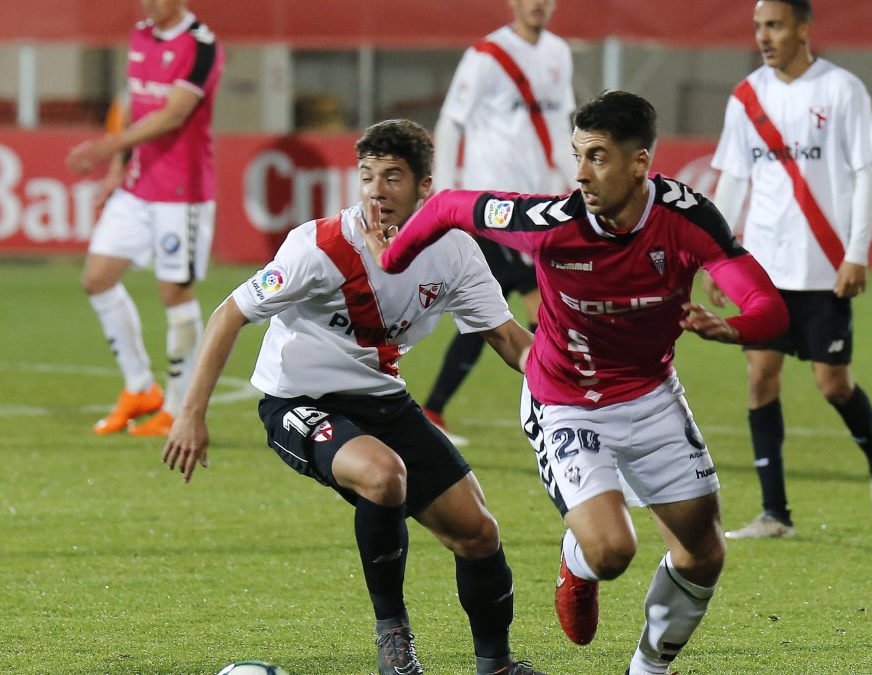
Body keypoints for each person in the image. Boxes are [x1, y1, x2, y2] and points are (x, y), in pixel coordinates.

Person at [367, 91, 788, 675]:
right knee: (613, 551)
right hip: (565, 401)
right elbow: (451, 208)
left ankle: (648, 667)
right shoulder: (551, 225)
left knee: (703, 555)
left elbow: (767, 304)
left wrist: (733, 327)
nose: (582, 175)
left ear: (639, 163)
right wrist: (391, 262)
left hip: (651, 394)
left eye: (598, 157)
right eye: (578, 155)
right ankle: (579, 562)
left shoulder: (687, 219)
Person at [161, 119, 544, 675]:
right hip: (299, 402)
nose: (376, 189)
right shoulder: (317, 248)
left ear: (424, 188)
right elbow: (229, 315)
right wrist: (190, 414)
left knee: (479, 532)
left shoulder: (455, 252)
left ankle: (498, 666)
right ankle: (394, 635)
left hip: (384, 402)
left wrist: (576, 384)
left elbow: (511, 341)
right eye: (367, 175)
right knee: (383, 475)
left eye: (393, 176)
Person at [707, 0, 872, 539]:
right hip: (764, 269)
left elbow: (867, 175)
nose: (763, 36)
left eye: (773, 26)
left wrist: (857, 253)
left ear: (802, 29)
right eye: (757, 27)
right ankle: (776, 514)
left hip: (825, 268)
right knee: (760, 379)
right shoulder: (746, 96)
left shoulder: (841, 89)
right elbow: (731, 181)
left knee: (832, 382)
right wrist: (719, 257)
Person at [422, 0, 577, 444]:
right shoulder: (486, 56)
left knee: (485, 316)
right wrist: (447, 202)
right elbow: (452, 124)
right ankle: (561, 410)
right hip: (493, 208)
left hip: (538, 208)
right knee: (544, 308)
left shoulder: (558, 54)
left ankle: (432, 410)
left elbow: (557, 125)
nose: (538, 5)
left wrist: (574, 186)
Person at [66, 0, 223, 437]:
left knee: (174, 292)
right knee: (97, 277)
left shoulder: (201, 45)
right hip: (138, 185)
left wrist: (105, 144)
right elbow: (134, 103)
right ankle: (139, 388)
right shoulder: (141, 35)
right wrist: (117, 166)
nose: (147, 4)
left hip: (182, 193)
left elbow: (173, 114)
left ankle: (177, 407)